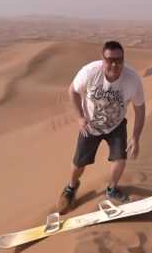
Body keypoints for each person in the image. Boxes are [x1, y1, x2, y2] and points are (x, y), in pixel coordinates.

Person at [57, 41, 146, 213]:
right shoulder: (90, 72)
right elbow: (72, 91)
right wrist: (80, 117)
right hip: (90, 126)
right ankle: (71, 187)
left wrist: (136, 136)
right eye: (110, 60)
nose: (114, 64)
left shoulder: (132, 80)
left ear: (123, 59)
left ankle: (112, 189)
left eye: (119, 60)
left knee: (120, 159)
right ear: (102, 60)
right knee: (78, 164)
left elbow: (140, 108)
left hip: (116, 125)